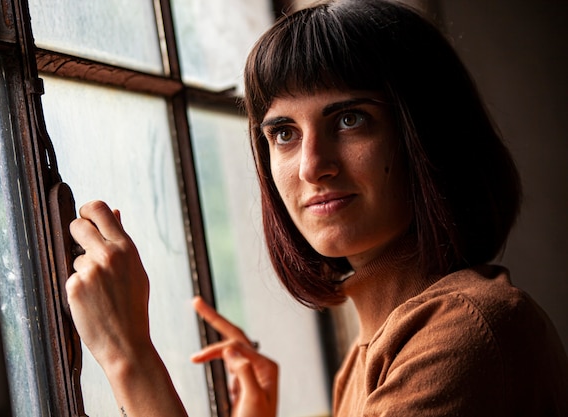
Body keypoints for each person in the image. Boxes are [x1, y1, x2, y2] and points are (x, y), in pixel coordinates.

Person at [66, 0, 568, 416]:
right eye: (284, 133)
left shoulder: (469, 331)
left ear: (427, 136)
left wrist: (127, 356)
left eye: (350, 120)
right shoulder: (365, 358)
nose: (311, 166)